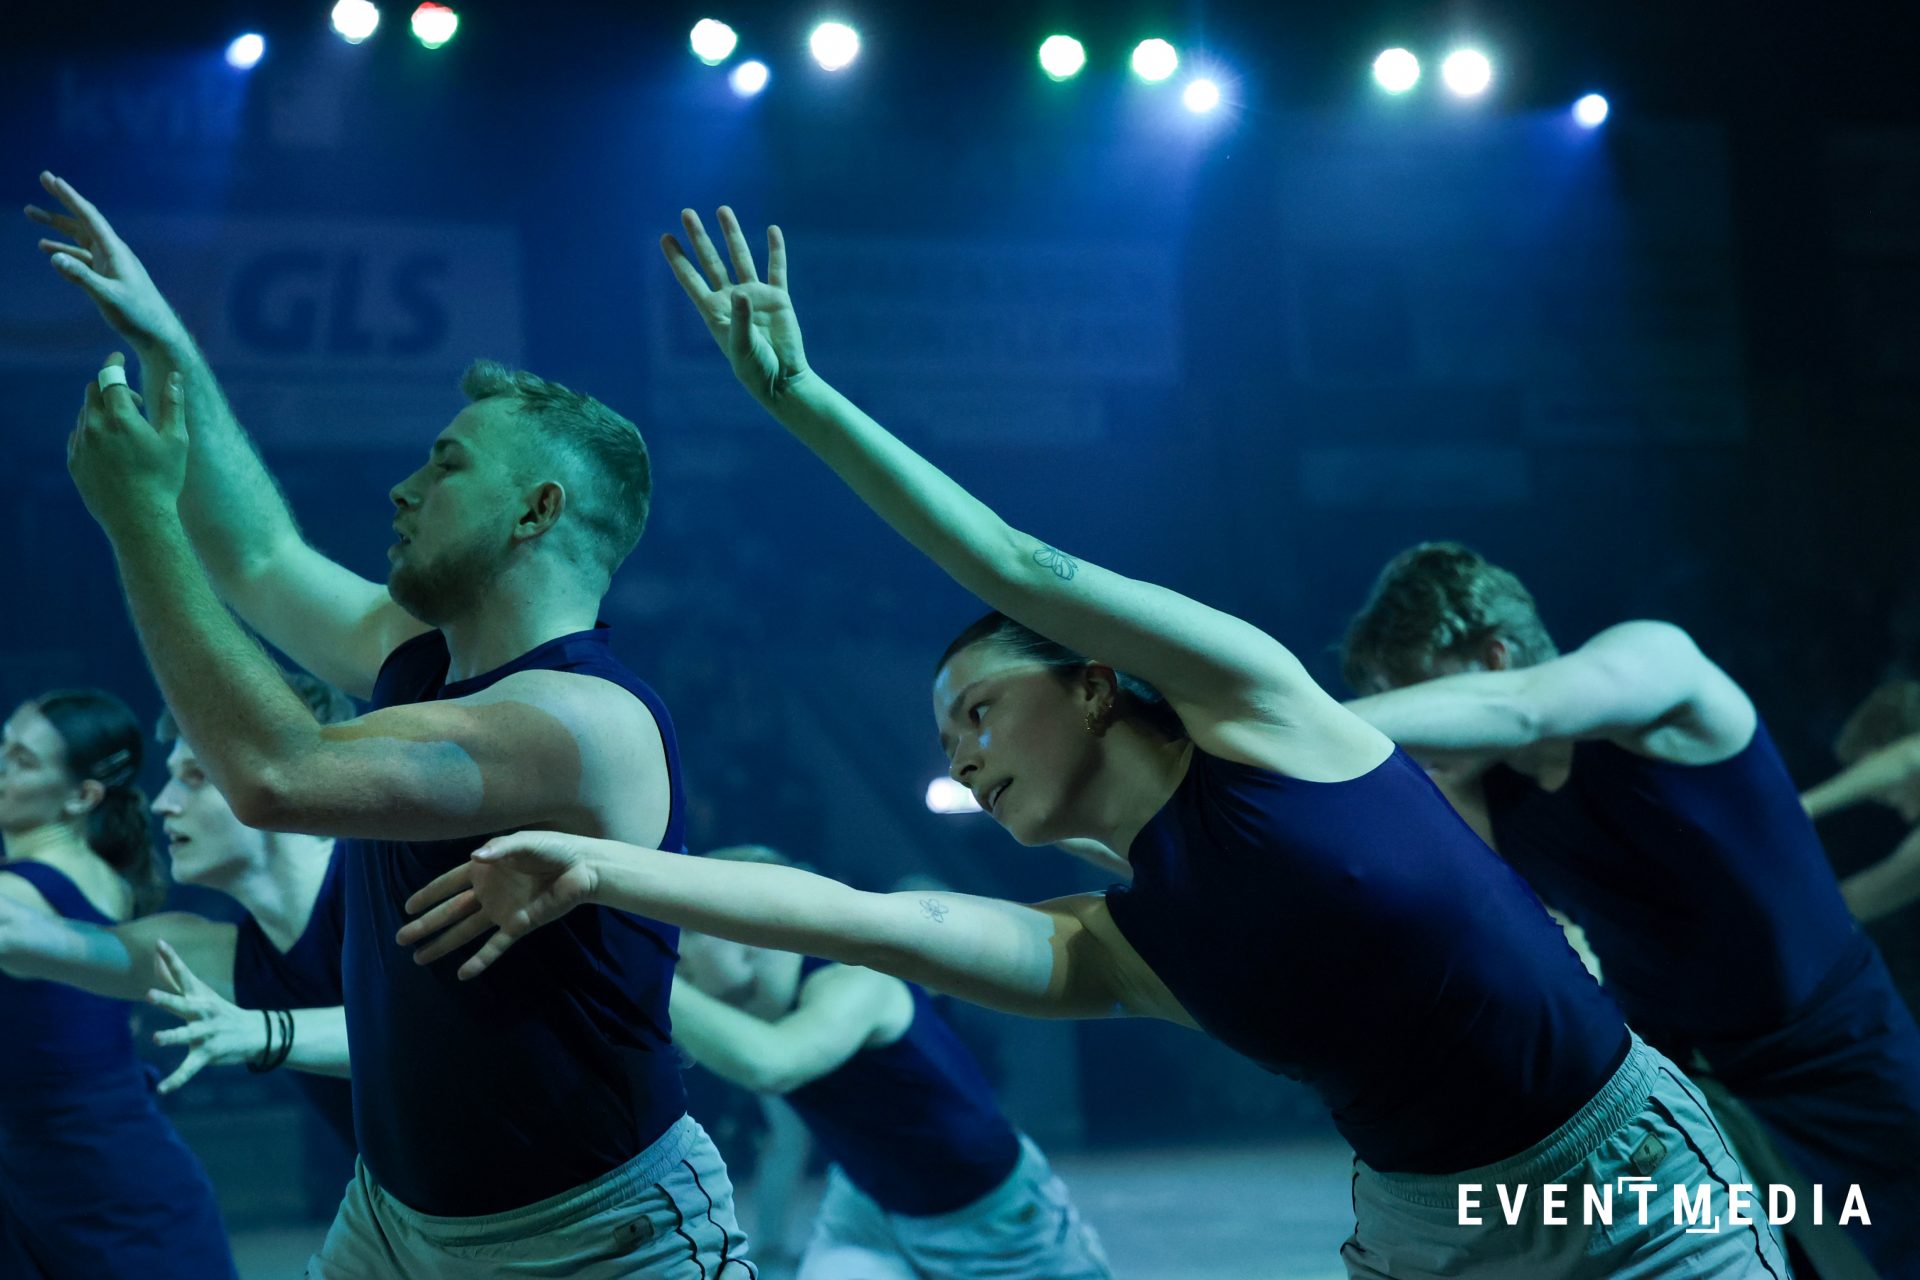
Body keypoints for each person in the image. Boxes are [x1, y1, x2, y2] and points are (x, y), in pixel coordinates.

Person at [398, 207, 1787, 1278]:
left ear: (1096, 686)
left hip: (1625, 1185)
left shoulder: (1261, 716)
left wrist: (802, 400)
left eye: (980, 709)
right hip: (1423, 1229)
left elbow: (1010, 560)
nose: (965, 753)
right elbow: (861, 916)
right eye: (949, 739)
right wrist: (599, 870)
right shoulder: (1108, 947)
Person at [39, 173, 749, 1278]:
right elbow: (260, 557)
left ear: (539, 509)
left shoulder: (577, 718)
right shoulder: (421, 655)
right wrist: (168, 342)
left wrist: (138, 517)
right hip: (391, 1219)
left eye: (446, 462)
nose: (404, 487)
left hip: (593, 1238)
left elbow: (275, 774)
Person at [1339, 540, 1920, 1278]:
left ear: (1493, 657)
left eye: (1413, 695)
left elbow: (1520, 708)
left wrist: (1299, 717)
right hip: (1686, 1088)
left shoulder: (1657, 662)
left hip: (1839, 1056)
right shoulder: (1481, 794)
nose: (1414, 737)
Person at [671, 845, 1108, 1280]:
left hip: (989, 1212)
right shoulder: (747, 1000)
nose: (672, 954)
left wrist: (660, 986)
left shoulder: (857, 979)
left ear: (744, 931)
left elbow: (771, 1063)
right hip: (866, 1205)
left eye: (687, 932)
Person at [0, 688, 236, 1278]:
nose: (0, 768)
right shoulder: (101, 874)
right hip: (102, 1167)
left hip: (84, 1182)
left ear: (81, 796)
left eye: (22, 760)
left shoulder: (18, 893)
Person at [1803, 679, 1920, 922]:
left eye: (1884, 792)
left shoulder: (1908, 755)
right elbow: (1851, 902)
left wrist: (1801, 807)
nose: (1894, 805)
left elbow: (1909, 758)